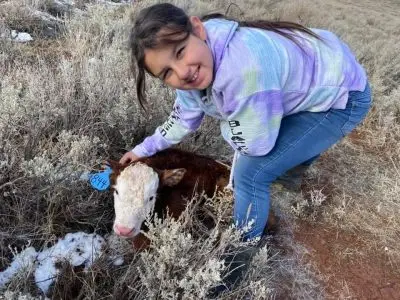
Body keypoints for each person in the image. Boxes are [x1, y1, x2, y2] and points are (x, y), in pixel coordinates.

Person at [119, 3, 371, 242]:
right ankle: (287, 178)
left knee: (250, 175)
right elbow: (182, 118)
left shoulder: (243, 71)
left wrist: (229, 124)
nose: (182, 71)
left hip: (343, 95)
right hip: (306, 77)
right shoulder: (196, 66)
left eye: (180, 52)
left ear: (197, 29)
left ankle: (241, 251)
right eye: (167, 72)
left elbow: (255, 145)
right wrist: (142, 150)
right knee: (279, 147)